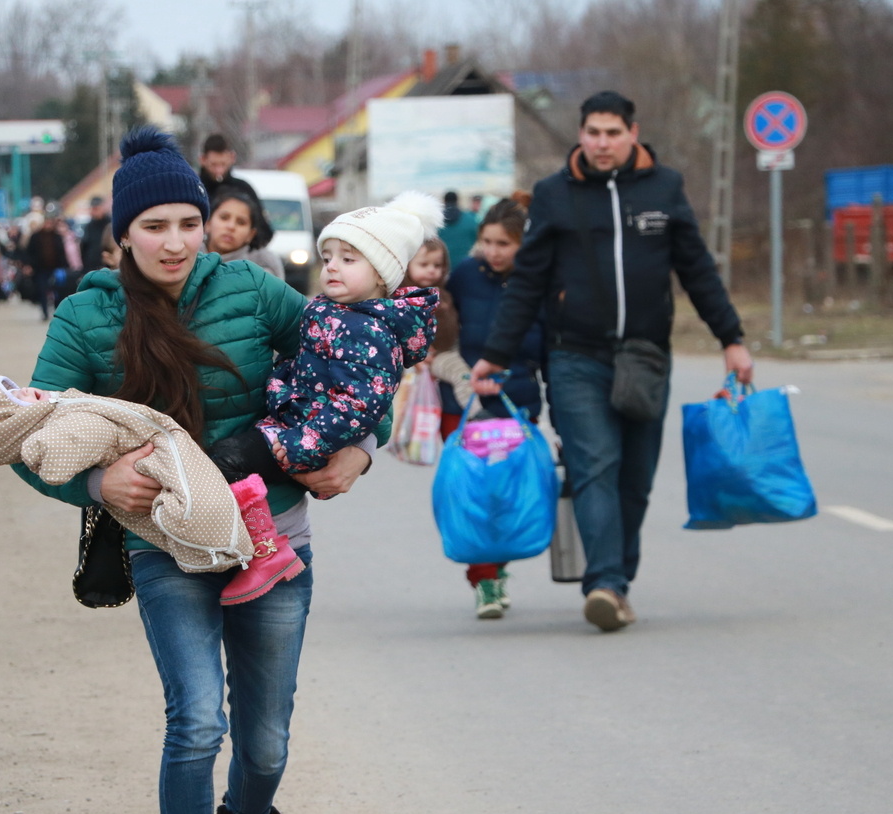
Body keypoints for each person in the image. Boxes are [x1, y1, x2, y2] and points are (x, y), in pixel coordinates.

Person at [14, 127, 376, 814]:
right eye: (155, 227)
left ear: (209, 222)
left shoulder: (254, 290)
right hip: (164, 548)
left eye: (188, 222)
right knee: (197, 722)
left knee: (263, 741)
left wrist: (357, 452)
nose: (176, 242)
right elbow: (33, 439)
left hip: (273, 538)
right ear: (121, 234)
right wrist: (98, 486)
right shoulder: (88, 314)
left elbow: (354, 367)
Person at [471, 91, 752, 632]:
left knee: (636, 478)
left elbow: (696, 268)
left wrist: (731, 338)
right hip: (575, 356)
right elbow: (527, 281)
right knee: (594, 466)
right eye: (593, 132)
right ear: (581, 135)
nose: (602, 143)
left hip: (646, 357)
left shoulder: (664, 188)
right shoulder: (555, 194)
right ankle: (604, 585)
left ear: (632, 133)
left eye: (612, 133)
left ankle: (617, 578)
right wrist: (496, 355)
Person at [206, 192, 440, 485]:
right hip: (294, 425)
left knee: (224, 461)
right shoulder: (334, 312)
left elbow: (362, 403)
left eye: (347, 259)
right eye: (327, 258)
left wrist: (307, 440)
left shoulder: (370, 331)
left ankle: (260, 530)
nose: (331, 266)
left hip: (308, 439)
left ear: (382, 274)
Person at [0, 371, 257, 576]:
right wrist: (96, 483)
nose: (29, 389)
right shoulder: (58, 423)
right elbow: (85, 434)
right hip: (155, 458)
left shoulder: (58, 410)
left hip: (166, 448)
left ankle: (231, 546)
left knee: (200, 496)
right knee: (195, 502)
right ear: (14, 424)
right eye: (18, 397)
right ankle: (221, 549)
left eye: (16, 386)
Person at [439, 197, 545, 620]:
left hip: (516, 406)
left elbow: (544, 345)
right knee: (472, 493)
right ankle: (484, 581)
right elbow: (443, 331)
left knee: (504, 494)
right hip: (464, 406)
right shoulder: (464, 276)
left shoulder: (536, 281)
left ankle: (496, 569)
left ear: (522, 244)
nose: (493, 251)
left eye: (504, 243)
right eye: (486, 241)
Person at [205, 187, 284, 280]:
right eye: (224, 217)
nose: (231, 226)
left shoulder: (263, 270)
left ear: (251, 234)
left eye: (241, 222)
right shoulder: (188, 256)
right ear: (208, 223)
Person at [25, 215, 68, 320]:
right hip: (40, 269)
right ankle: (44, 312)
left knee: (57, 290)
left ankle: (57, 311)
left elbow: (62, 253)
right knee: (42, 290)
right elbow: (29, 252)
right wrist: (29, 265)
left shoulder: (57, 236)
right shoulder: (35, 237)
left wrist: (65, 266)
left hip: (55, 268)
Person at [198, 133, 259, 204]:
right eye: (213, 165)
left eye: (223, 164)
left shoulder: (243, 190)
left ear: (232, 158)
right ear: (202, 160)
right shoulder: (194, 189)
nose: (219, 170)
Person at [437, 190, 478, 267]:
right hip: (465, 266)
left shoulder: (436, 222)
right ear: (457, 201)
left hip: (441, 267)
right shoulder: (471, 219)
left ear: (444, 201)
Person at [80, 196, 111, 272]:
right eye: (92, 209)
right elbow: (84, 246)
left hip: (108, 265)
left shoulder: (110, 224)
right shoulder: (89, 226)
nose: (94, 212)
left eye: (96, 209)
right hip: (91, 266)